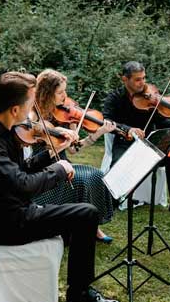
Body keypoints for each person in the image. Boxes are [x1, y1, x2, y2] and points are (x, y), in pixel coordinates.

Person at [0, 71, 119, 302]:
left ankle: (66, 284)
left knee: (77, 216)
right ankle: (79, 294)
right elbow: (23, 185)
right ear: (15, 109)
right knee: (86, 214)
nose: (30, 114)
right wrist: (58, 169)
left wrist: (51, 154)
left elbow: (20, 170)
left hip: (9, 212)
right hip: (6, 224)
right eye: (29, 105)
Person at [31, 68, 116, 244]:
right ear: (47, 93)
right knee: (82, 181)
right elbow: (32, 127)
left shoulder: (65, 116)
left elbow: (73, 150)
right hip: (42, 169)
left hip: (64, 163)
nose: (65, 96)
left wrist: (99, 132)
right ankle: (78, 226)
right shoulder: (33, 113)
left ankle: (93, 225)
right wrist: (49, 130)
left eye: (65, 91)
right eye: (60, 92)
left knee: (97, 175)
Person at [102, 61, 170, 214]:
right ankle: (113, 203)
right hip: (125, 142)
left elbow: (161, 122)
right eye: (138, 79)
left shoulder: (150, 97)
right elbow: (108, 121)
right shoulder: (115, 98)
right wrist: (128, 129)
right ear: (125, 79)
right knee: (117, 167)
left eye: (144, 78)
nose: (143, 83)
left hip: (147, 143)